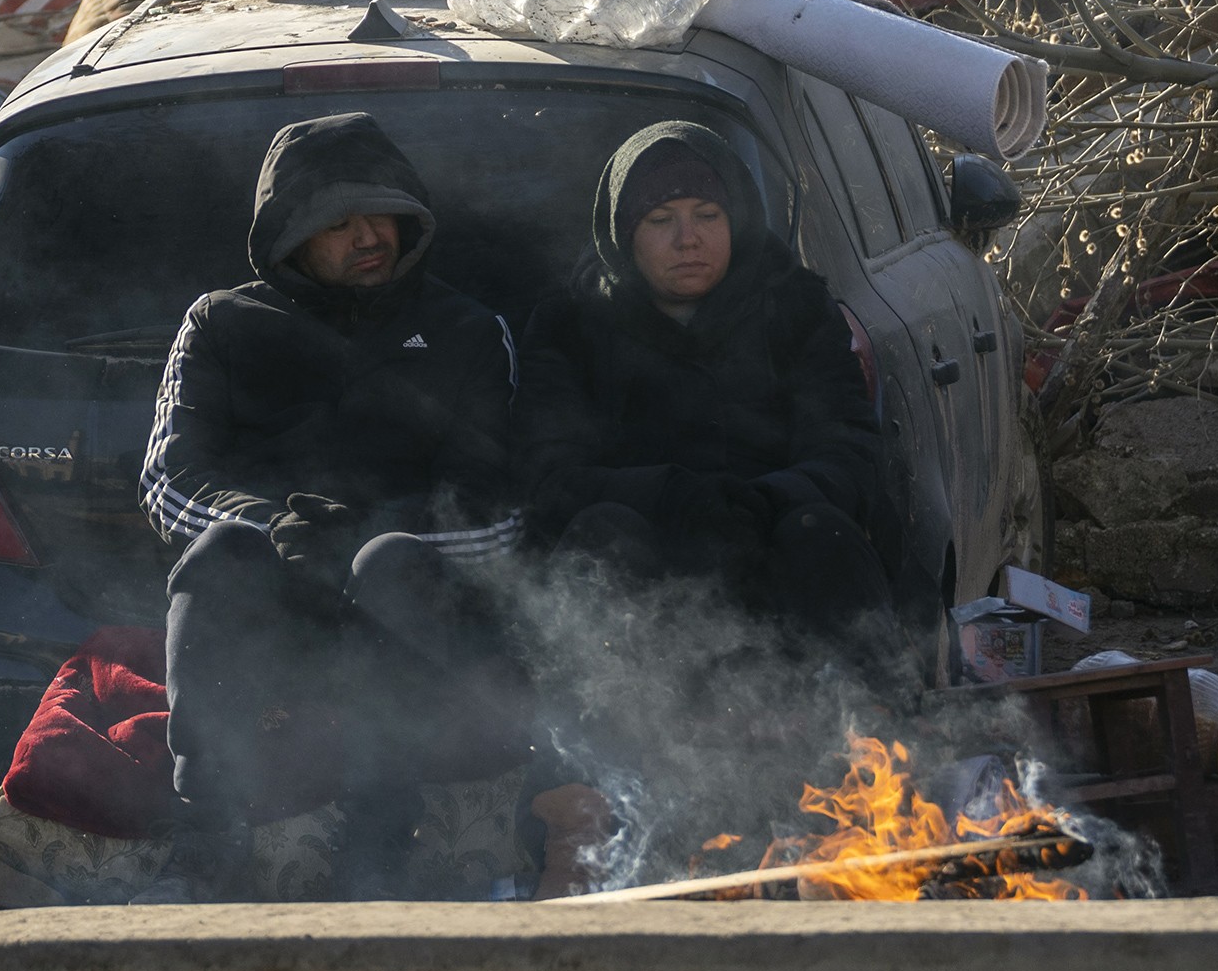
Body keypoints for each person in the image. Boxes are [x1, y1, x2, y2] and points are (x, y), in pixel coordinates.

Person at [139, 113, 525, 893]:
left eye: (378, 213)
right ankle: (220, 815)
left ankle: (414, 823)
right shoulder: (221, 322)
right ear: (290, 236)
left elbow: (499, 512)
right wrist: (271, 525)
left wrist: (372, 537)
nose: (366, 235)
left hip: (415, 618)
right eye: (337, 221)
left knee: (394, 565)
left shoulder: (465, 329)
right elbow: (167, 480)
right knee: (222, 555)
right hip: (279, 600)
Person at [516, 121, 888, 652]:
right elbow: (548, 476)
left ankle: (865, 719)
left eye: (708, 216)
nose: (687, 239)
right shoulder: (570, 324)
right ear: (624, 233)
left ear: (736, 220)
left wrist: (764, 502)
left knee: (819, 529)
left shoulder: (794, 306)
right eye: (660, 219)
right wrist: (671, 496)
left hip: (777, 551)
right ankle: (604, 731)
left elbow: (849, 451)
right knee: (603, 532)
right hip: (644, 583)